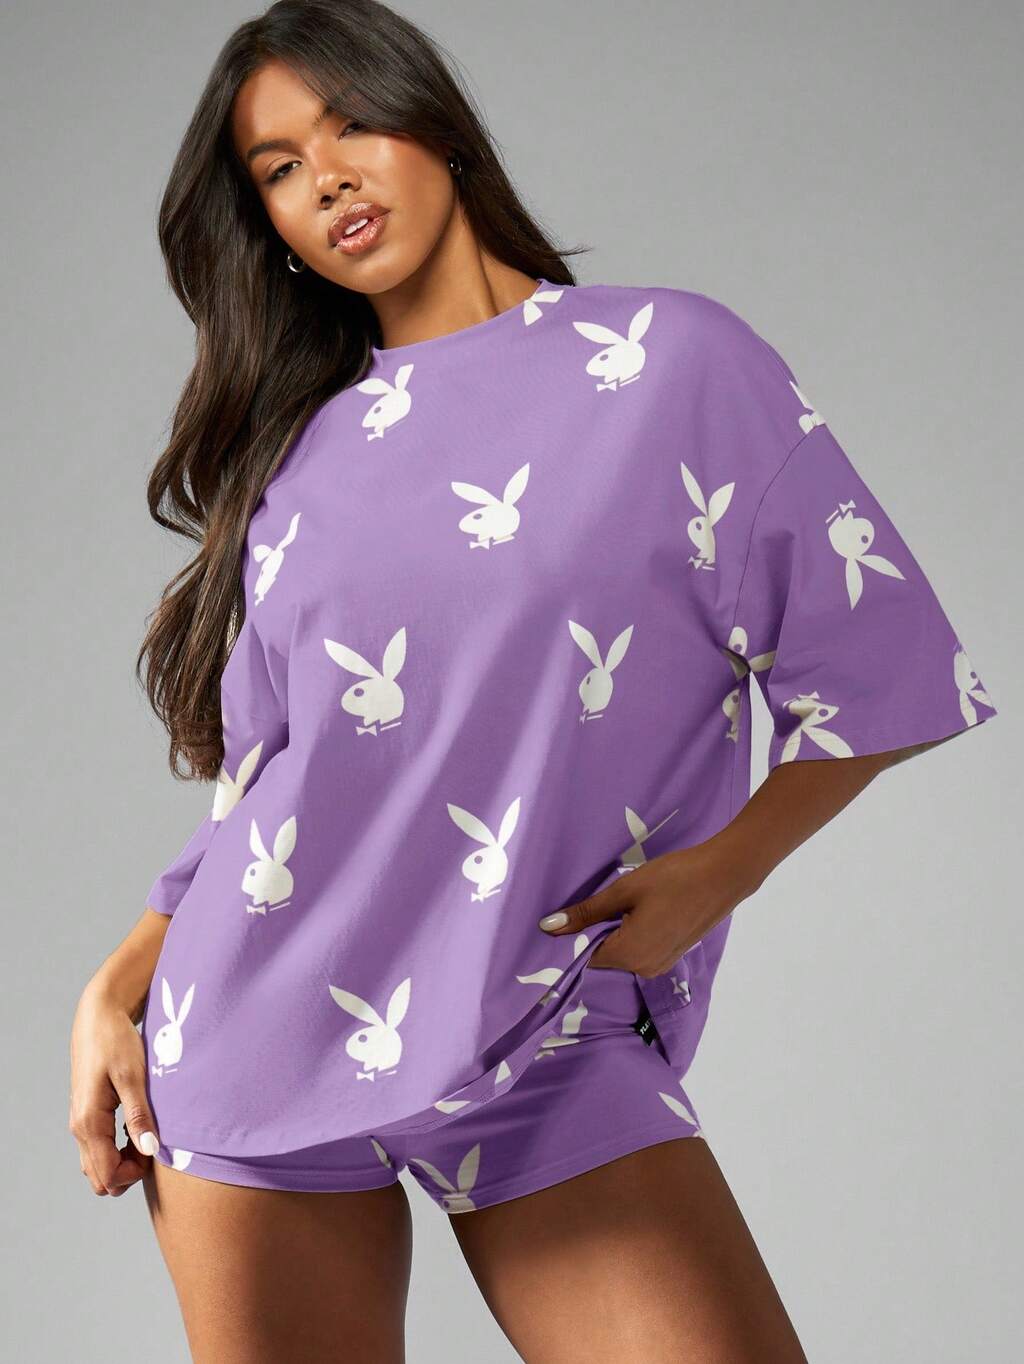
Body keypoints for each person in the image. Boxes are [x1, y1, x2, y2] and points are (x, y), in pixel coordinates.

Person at [68, 2, 998, 1359]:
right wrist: (117, 982)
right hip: (260, 1032)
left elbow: (881, 657)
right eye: (277, 169)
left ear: (433, 122)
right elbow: (265, 782)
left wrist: (723, 872)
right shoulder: (297, 458)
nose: (326, 178)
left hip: (553, 1021)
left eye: (350, 123)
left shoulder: (672, 363)